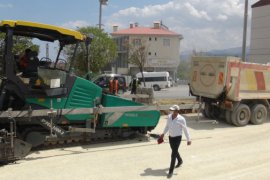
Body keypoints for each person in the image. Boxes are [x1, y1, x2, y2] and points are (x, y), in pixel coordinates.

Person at [160, 104, 191, 178]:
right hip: (171, 137)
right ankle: (180, 161)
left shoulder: (181, 119)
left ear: (177, 111)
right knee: (175, 151)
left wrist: (188, 139)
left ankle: (170, 171)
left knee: (173, 154)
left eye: (173, 110)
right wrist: (163, 133)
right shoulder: (170, 116)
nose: (172, 111)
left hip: (178, 138)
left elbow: (185, 129)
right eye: (172, 110)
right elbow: (167, 126)